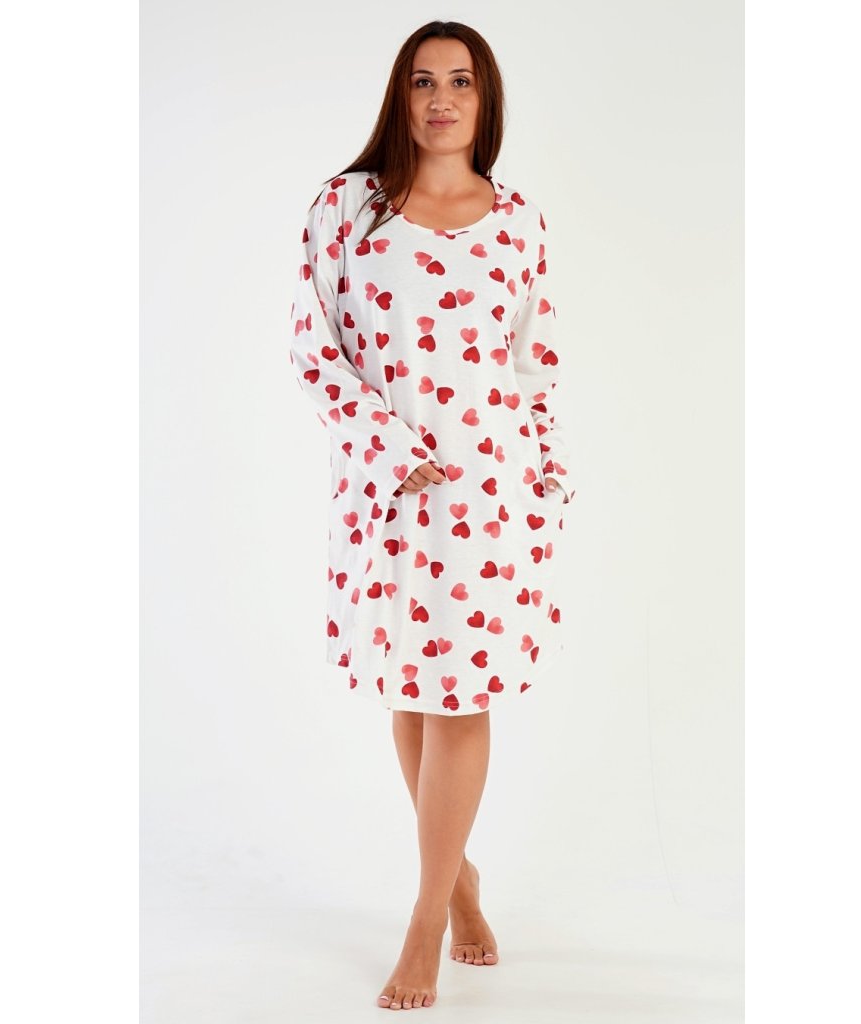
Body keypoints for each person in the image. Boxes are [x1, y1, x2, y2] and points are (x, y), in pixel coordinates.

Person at [287, 20, 576, 1011]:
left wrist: (547, 478)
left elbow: (534, 366)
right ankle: (458, 878)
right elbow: (314, 349)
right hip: (387, 493)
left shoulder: (520, 220)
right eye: (422, 82)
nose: (441, 99)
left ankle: (425, 916)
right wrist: (389, 445)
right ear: (400, 97)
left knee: (461, 697)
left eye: (460, 81)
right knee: (409, 691)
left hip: (491, 493)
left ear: (485, 100)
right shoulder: (347, 209)